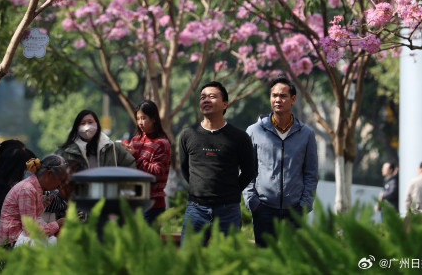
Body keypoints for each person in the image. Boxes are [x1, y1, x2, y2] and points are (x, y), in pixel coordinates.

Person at [243, 76, 318, 246]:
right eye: (274, 95)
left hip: (295, 211)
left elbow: (311, 173)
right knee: (265, 262)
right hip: (263, 209)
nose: (278, 100)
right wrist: (252, 202)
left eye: (283, 96)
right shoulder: (254, 131)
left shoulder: (306, 134)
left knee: (291, 263)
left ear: (293, 99)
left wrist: (304, 205)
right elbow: (247, 170)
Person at [179, 81, 255, 242]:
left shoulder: (239, 137)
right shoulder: (188, 134)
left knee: (228, 260)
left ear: (225, 104)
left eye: (212, 96)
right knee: (189, 260)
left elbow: (249, 171)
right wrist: (200, 189)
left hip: (228, 210)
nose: (206, 100)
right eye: (202, 97)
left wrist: (231, 190)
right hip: (196, 209)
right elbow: (185, 169)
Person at [0, 154, 67, 246]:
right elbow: (30, 230)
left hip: (18, 235)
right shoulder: (27, 189)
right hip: (10, 241)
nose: (60, 185)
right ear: (49, 174)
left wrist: (41, 204)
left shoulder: (34, 186)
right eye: (60, 180)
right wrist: (57, 224)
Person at [125, 100, 171, 224]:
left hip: (152, 204)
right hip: (133, 200)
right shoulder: (135, 140)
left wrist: (135, 156)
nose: (140, 122)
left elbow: (156, 173)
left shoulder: (162, 143)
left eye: (143, 118)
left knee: (148, 243)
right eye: (138, 118)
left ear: (154, 118)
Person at [55, 108, 136, 170]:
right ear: (76, 127)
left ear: (97, 124)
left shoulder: (112, 148)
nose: (87, 126)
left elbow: (130, 165)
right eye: (82, 123)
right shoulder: (66, 152)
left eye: (90, 122)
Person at [0, 145, 36, 226]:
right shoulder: (3, 190)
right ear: (18, 168)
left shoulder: (5, 186)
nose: (26, 173)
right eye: (25, 169)